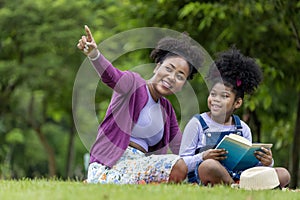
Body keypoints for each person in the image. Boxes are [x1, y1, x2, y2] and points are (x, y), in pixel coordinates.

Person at [77, 25, 204, 184]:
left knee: (181, 166)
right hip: (110, 164)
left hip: (142, 165)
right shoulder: (133, 83)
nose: (171, 77)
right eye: (169, 69)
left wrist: (205, 158)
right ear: (157, 67)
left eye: (180, 76)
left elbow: (182, 148)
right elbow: (111, 76)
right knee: (176, 166)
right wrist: (94, 55)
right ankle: (103, 180)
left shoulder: (167, 111)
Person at [179, 47, 291, 188]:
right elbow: (181, 163)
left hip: (241, 176)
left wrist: (267, 162)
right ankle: (235, 187)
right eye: (213, 94)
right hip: (207, 175)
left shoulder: (242, 128)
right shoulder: (197, 124)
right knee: (209, 166)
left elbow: (250, 165)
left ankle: (238, 185)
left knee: (283, 174)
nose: (216, 100)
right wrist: (202, 157)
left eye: (224, 96)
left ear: (237, 103)